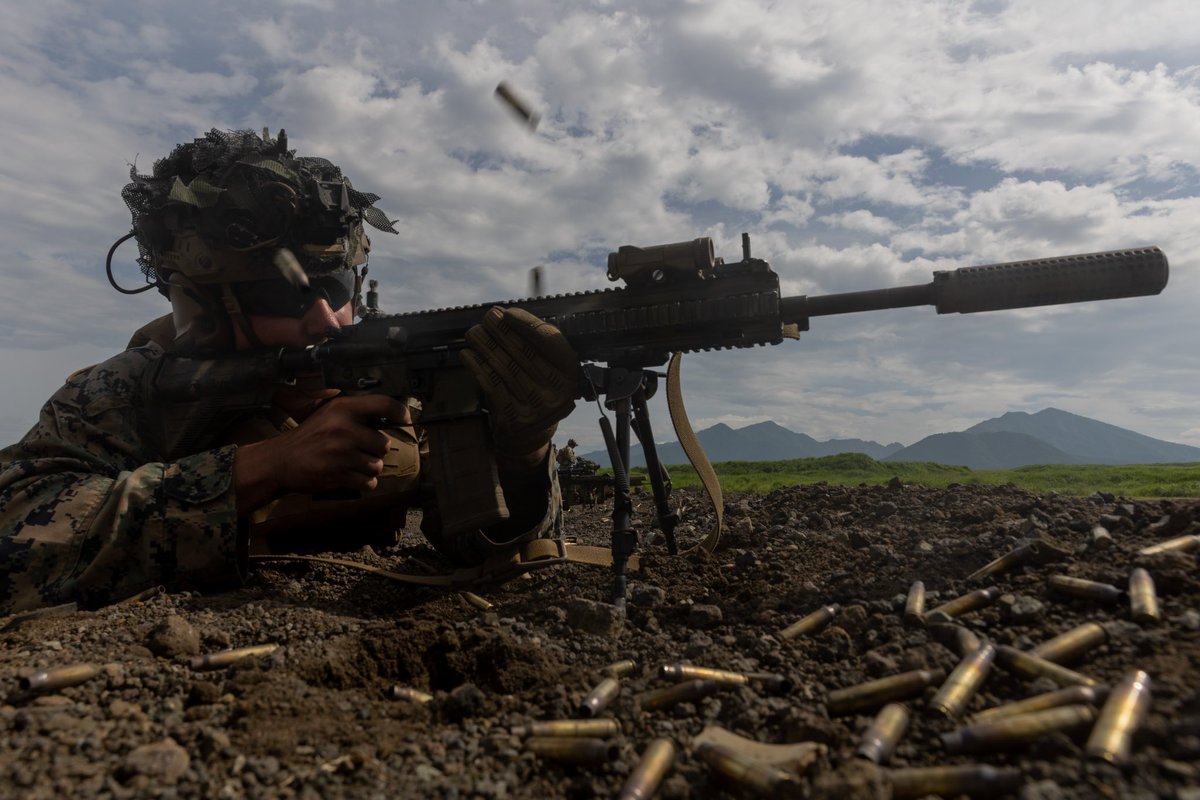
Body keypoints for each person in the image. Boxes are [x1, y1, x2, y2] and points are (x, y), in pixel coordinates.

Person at [0, 129, 578, 615]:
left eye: (336, 287)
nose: (326, 319)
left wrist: (522, 456)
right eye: (284, 296)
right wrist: (265, 466)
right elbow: (15, 544)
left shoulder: (394, 381)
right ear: (203, 308)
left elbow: (484, 553)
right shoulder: (117, 396)